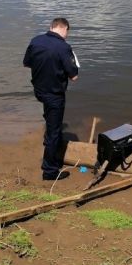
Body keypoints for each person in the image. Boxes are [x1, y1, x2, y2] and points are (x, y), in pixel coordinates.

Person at [23, 17, 79, 180]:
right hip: (54, 95)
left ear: (51, 27)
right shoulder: (64, 47)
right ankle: (49, 171)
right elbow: (74, 76)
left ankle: (50, 145)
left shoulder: (36, 41)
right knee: (54, 131)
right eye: (67, 32)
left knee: (51, 121)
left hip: (39, 91)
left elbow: (26, 63)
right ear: (65, 29)